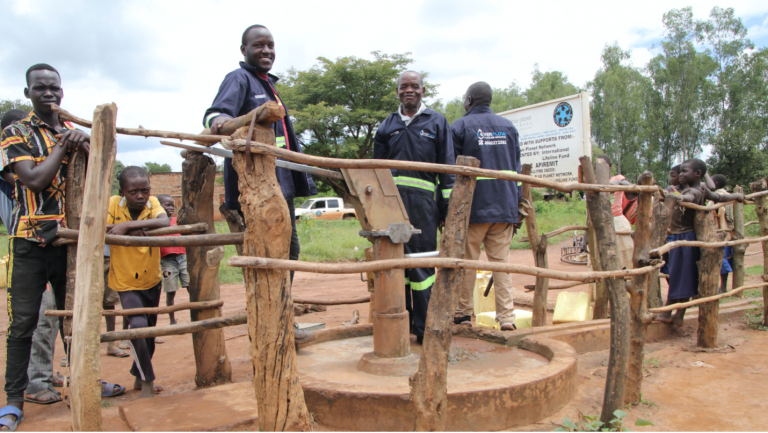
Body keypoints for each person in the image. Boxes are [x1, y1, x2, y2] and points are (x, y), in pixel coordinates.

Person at [0, 64, 125, 430]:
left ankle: (85, 382)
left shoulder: (74, 131)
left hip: (70, 244)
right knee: (22, 323)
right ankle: (12, 400)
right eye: (40, 88)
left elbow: (99, 176)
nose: (49, 93)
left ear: (62, 90)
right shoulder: (15, 132)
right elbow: (35, 181)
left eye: (54, 87)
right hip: (30, 241)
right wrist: (61, 147)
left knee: (77, 318)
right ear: (28, 94)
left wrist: (86, 144)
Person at [203, 24, 317, 346]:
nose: (266, 51)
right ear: (244, 50)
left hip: (281, 183)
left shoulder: (268, 85)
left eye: (270, 45)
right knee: (267, 252)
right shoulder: (239, 79)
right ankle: (272, 325)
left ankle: (280, 317)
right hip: (256, 185)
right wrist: (220, 124)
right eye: (258, 46)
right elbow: (216, 116)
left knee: (289, 249)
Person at [373, 71, 455, 343]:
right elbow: (376, 171)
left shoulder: (438, 122)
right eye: (403, 86)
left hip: (424, 210)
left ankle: (424, 330)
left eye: (414, 86)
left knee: (421, 268)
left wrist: (446, 209)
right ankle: (402, 326)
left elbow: (448, 170)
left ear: (423, 90)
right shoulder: (387, 125)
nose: (409, 90)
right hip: (392, 209)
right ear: (397, 91)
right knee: (397, 266)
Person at [451, 81, 522, 331]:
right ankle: (507, 319)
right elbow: (517, 170)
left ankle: (462, 315)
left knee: (468, 264)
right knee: (501, 266)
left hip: (473, 210)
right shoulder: (508, 127)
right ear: (489, 101)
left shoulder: (459, 126)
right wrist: (516, 207)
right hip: (504, 207)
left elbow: (452, 171)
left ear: (469, 101)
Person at [655, 159, 744, 326]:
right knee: (685, 275)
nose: (681, 174)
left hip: (683, 238)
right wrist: (736, 196)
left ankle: (668, 311)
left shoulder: (694, 191)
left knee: (678, 275)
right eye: (680, 171)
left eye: (684, 171)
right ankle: (679, 314)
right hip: (686, 237)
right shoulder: (702, 188)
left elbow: (689, 197)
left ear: (697, 174)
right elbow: (719, 197)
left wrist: (677, 197)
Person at [107, 166, 169, 399]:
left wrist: (127, 227)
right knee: (139, 327)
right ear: (122, 191)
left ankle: (137, 373)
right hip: (125, 281)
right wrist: (126, 228)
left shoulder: (153, 203)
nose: (140, 196)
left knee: (149, 333)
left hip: (151, 278)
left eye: (144, 190)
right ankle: (146, 381)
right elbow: (99, 226)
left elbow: (164, 223)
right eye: (133, 192)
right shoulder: (113, 204)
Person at [156, 194, 189, 325]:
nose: (171, 208)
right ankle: (172, 320)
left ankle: (196, 315)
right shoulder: (156, 224)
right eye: (167, 205)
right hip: (167, 262)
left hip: (183, 259)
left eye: (172, 205)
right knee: (170, 292)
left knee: (191, 286)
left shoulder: (177, 220)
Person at [711, 174, 735, 294]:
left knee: (721, 259)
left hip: (720, 231)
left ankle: (722, 288)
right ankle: (723, 286)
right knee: (726, 258)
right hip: (728, 231)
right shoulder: (728, 194)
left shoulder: (718, 195)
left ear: (717, 184)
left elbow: (716, 211)